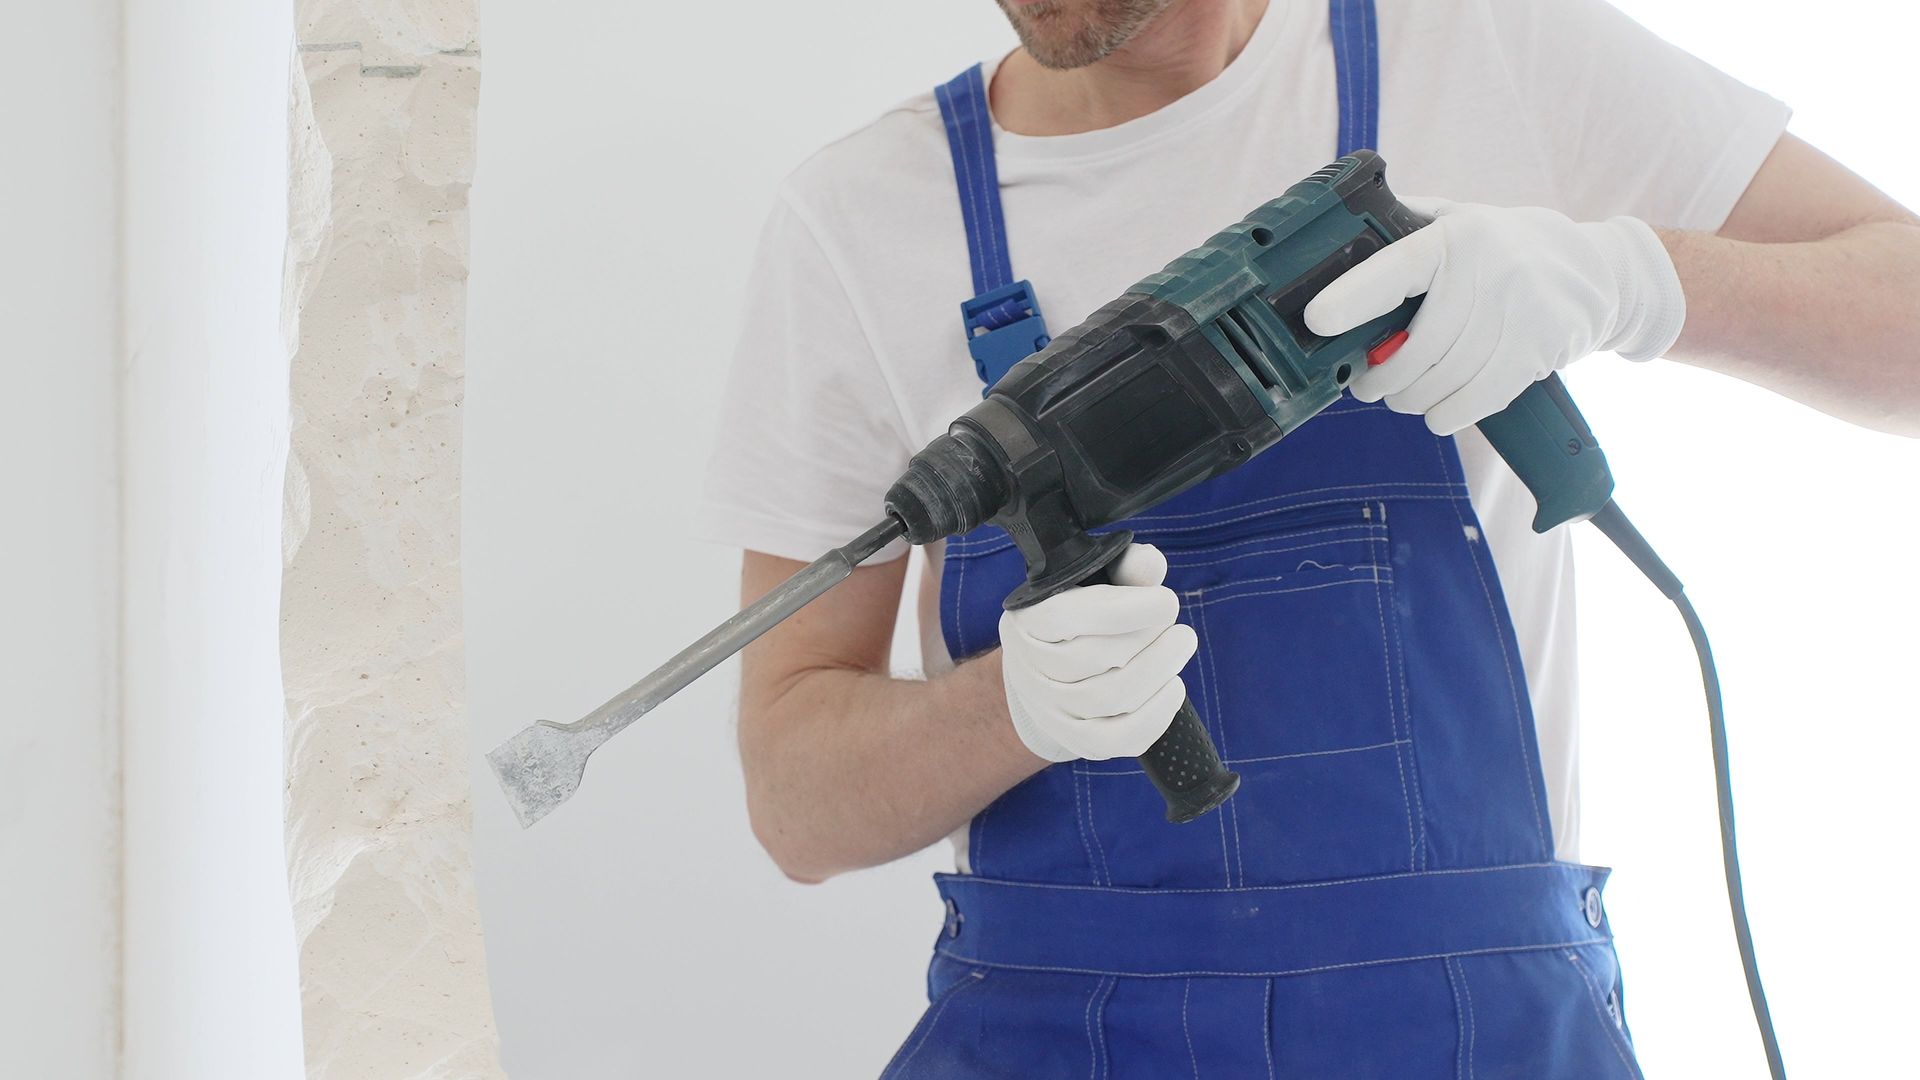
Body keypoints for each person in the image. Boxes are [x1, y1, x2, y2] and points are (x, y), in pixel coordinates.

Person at [695, 0, 1919, 1074]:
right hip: (1055, 1038)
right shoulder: (858, 220)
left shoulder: (1494, 48)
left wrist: (1629, 279)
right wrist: (1008, 709)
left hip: (1478, 1033)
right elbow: (795, 809)